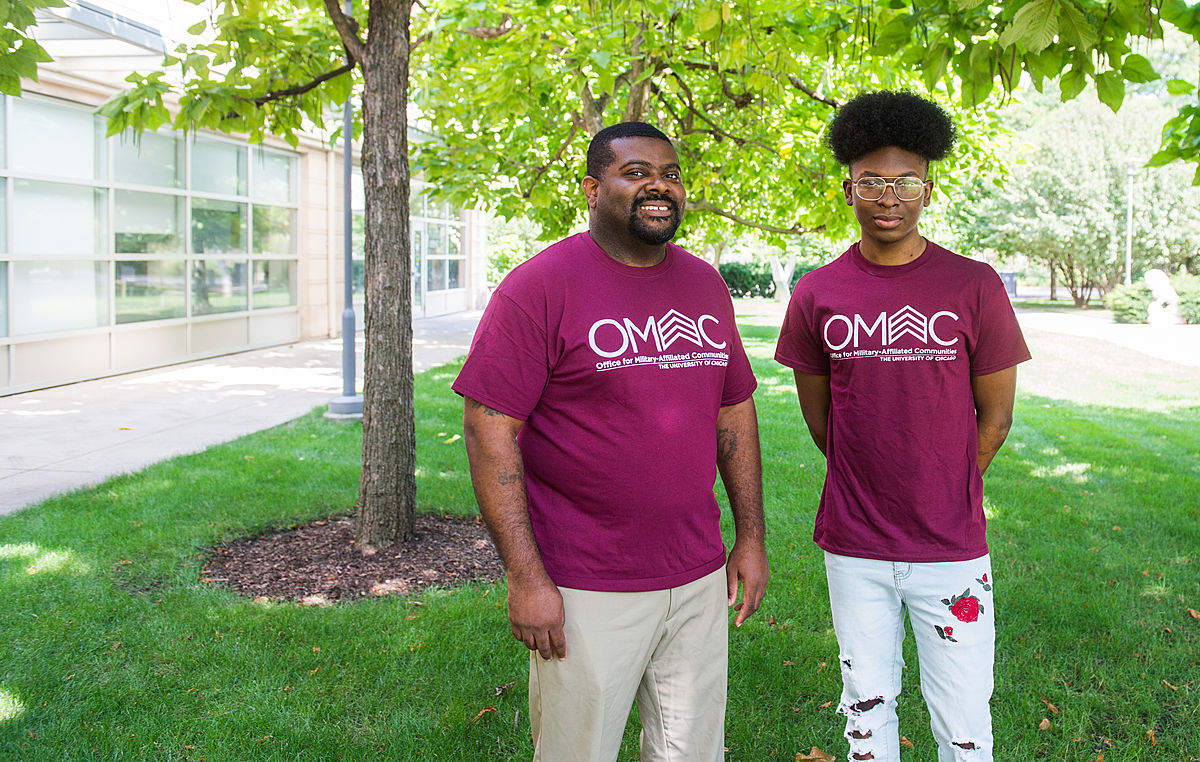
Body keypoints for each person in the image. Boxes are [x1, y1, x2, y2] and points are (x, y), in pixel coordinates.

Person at [454, 121, 769, 761]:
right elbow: (489, 431)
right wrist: (526, 577)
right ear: (592, 190)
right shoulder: (540, 287)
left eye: (671, 174)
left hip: (697, 572)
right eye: (636, 173)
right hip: (585, 582)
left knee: (691, 750)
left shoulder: (705, 285)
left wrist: (751, 538)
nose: (660, 186)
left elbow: (734, 411)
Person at [774, 92, 1030, 762]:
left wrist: (943, 481)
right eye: (873, 182)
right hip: (853, 545)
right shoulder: (817, 292)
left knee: (963, 718)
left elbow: (996, 418)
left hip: (951, 547)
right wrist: (872, 475)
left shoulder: (973, 286)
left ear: (928, 187)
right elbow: (821, 416)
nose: (890, 198)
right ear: (848, 188)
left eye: (906, 182)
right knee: (866, 710)